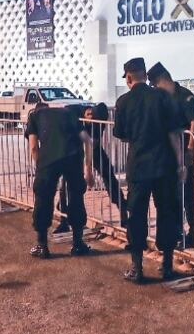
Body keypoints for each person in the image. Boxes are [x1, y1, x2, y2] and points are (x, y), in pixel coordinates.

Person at [113, 57, 184, 283]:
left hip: (139, 166)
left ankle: (137, 267)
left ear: (130, 77)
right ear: (145, 74)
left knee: (137, 215)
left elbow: (121, 134)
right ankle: (167, 265)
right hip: (164, 166)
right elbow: (174, 133)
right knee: (167, 212)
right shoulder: (162, 96)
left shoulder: (123, 102)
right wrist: (181, 163)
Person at [24, 102, 93, 258]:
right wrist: (88, 169)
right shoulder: (68, 113)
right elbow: (88, 140)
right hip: (73, 157)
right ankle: (78, 244)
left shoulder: (33, 117)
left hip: (49, 159)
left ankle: (42, 246)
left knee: (43, 197)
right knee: (76, 197)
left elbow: (34, 147)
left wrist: (40, 167)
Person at [148, 62, 194, 248]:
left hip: (183, 152)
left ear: (161, 79)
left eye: (154, 84)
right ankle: (177, 232)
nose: (154, 88)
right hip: (166, 156)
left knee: (187, 195)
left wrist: (190, 150)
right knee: (172, 197)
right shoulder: (159, 98)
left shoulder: (185, 96)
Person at [83, 102, 127, 227]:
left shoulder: (98, 122)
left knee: (109, 176)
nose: (91, 118)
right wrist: (87, 168)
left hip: (93, 150)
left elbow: (93, 144)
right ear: (86, 113)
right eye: (89, 115)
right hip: (75, 149)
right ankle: (63, 207)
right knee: (69, 180)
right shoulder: (78, 118)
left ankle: (123, 210)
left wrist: (88, 167)